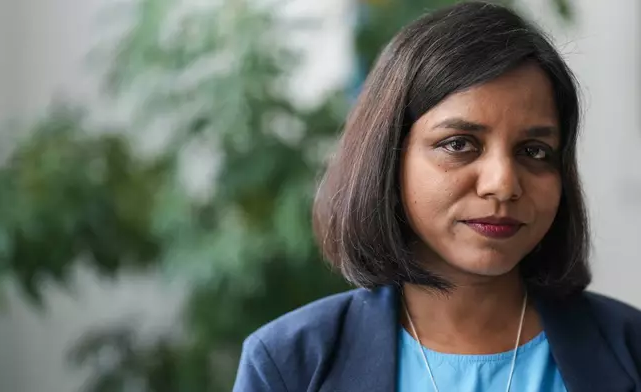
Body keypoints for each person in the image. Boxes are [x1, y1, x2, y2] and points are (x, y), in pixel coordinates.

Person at [233, 2, 641, 391]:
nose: (502, 184)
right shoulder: (288, 365)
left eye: (534, 151)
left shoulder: (630, 350)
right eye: (459, 144)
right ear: (389, 157)